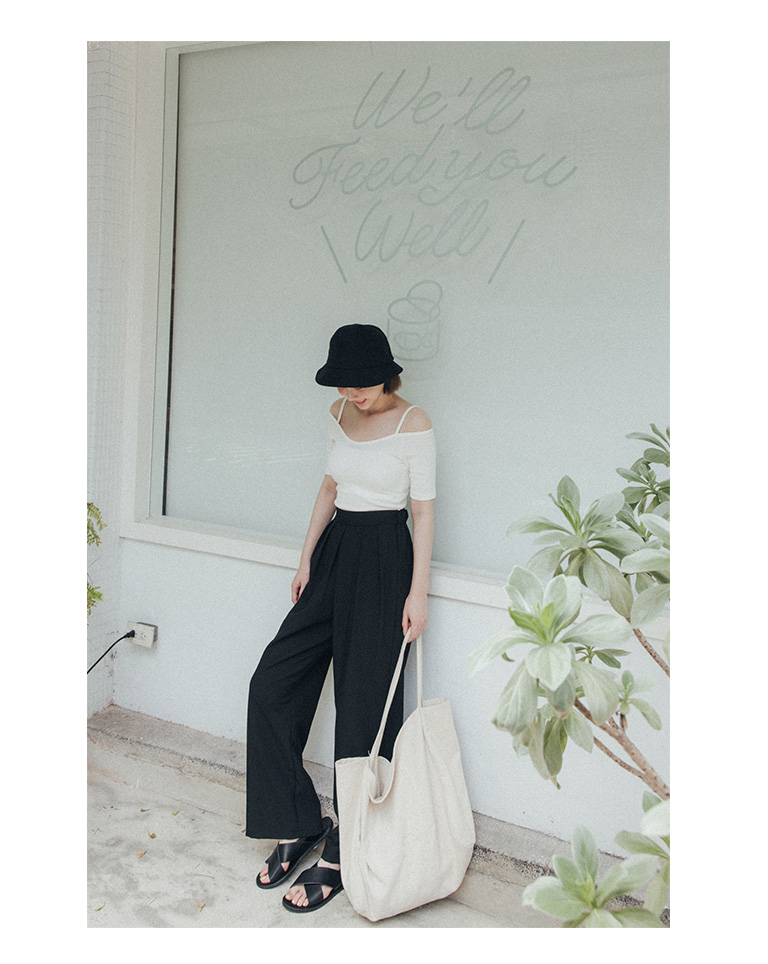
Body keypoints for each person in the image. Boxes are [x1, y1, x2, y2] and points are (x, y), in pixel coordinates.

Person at [245, 323, 436, 913]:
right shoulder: (338, 413)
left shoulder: (414, 424)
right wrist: (305, 558)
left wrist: (418, 594)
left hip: (385, 560)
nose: (354, 394)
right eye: (345, 385)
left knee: (363, 711)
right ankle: (298, 819)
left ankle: (342, 851)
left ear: (387, 374)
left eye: (363, 385)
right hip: (334, 553)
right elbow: (328, 488)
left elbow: (424, 514)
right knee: (271, 685)